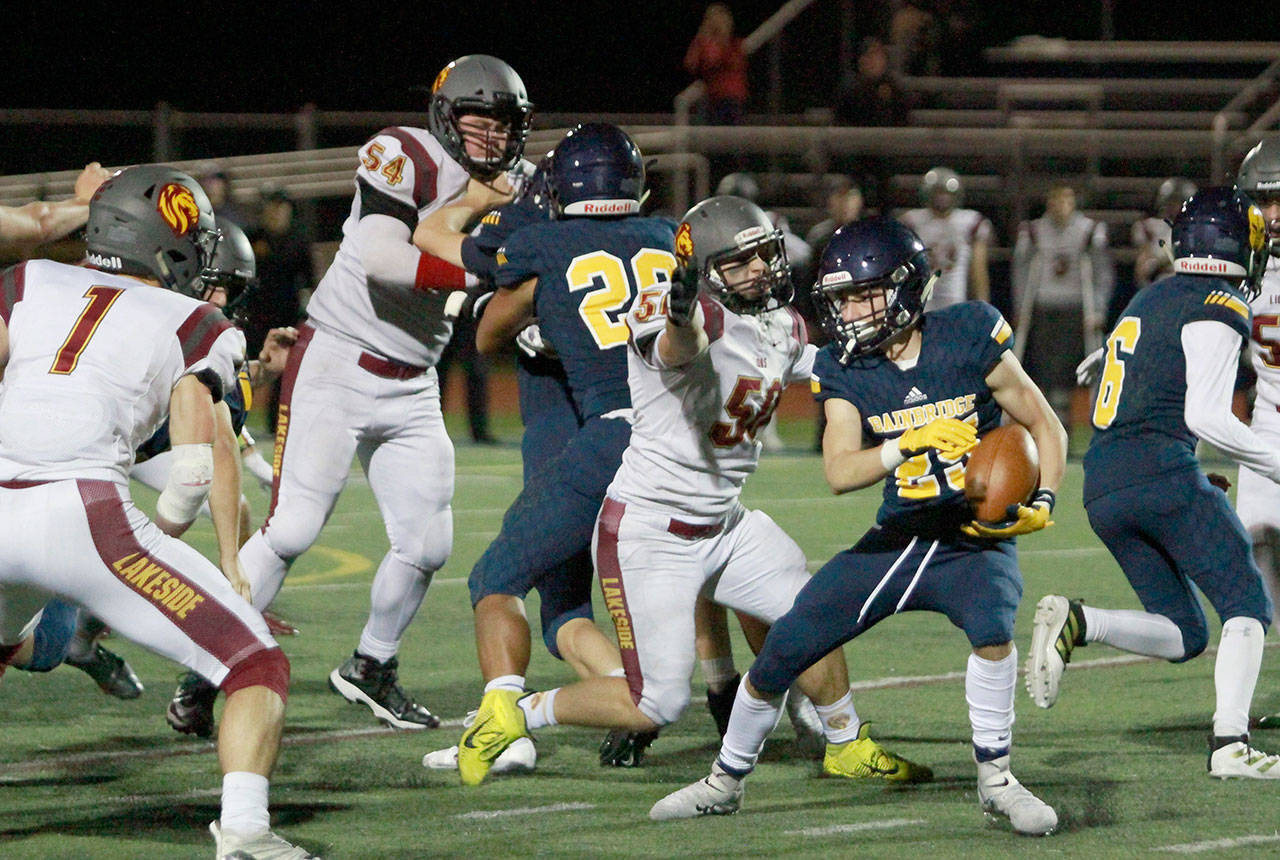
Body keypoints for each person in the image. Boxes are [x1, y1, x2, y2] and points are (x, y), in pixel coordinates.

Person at [454, 196, 928, 792]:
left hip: (725, 523)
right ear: (703, 271)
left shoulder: (781, 322)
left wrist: (915, 365)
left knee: (812, 612)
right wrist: (683, 317)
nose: (760, 270)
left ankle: (846, 742)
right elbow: (679, 346)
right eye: (741, 262)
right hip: (652, 531)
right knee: (655, 703)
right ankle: (515, 714)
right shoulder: (670, 310)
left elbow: (825, 368)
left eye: (764, 255)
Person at [653, 217, 1066, 835]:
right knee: (787, 646)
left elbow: (1045, 424)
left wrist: (1046, 497)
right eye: (840, 299)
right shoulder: (846, 368)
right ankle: (724, 781)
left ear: (906, 287)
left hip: (972, 538)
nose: (848, 312)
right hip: (898, 538)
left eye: (862, 295)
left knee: (992, 628)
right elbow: (840, 471)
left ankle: (997, 780)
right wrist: (906, 444)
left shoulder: (969, 334)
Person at [0, 164, 312, 858]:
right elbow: (194, 468)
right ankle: (246, 832)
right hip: (82, 516)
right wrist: (156, 545)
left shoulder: (27, 280)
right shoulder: (198, 320)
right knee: (256, 665)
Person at [236, 54, 534, 731]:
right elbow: (381, 258)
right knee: (292, 529)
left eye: (506, 124)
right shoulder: (407, 154)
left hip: (413, 380)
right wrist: (478, 274)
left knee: (427, 543)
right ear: (446, 116)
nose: (493, 137)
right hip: (339, 359)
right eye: (479, 121)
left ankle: (371, 665)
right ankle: (208, 661)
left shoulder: (518, 185)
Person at [1026, 187, 1280, 778]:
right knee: (1246, 602)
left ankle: (1079, 621)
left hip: (1105, 482)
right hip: (1157, 471)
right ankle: (1230, 745)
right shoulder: (1219, 301)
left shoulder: (1153, 295)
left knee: (1186, 633)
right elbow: (1207, 417)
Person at [1012, 182, 1114, 433]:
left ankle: (1066, 420)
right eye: (1056, 200)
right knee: (1045, 370)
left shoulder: (1089, 230)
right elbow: (1021, 271)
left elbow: (1102, 273)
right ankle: (1049, 423)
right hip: (1044, 306)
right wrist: (1020, 307)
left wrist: (1098, 309)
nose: (1060, 206)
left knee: (1070, 370)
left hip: (1076, 307)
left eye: (1066, 200)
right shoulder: (1033, 231)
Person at [1233, 140, 1280, 644]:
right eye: (1264, 202)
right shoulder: (1238, 265)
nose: (1273, 215)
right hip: (1269, 420)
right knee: (1252, 535)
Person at [900, 167, 992, 309]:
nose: (942, 198)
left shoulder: (969, 222)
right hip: (922, 299)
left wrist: (983, 304)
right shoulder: (912, 221)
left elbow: (978, 269)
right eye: (937, 192)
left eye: (946, 193)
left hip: (955, 297)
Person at [243, 186, 313, 361]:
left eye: (281, 208)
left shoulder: (298, 242)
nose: (276, 213)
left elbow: (308, 281)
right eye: (272, 207)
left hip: (288, 314)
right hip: (257, 316)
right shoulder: (253, 238)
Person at [683, 3, 748, 126]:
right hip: (713, 98)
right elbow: (691, 64)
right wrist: (701, 38)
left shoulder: (735, 44)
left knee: (730, 132)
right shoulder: (704, 43)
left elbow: (733, 63)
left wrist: (721, 41)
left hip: (731, 99)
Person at [834, 37, 909, 128]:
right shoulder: (850, 89)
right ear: (861, 61)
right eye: (870, 55)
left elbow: (902, 116)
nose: (874, 60)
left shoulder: (893, 87)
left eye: (879, 55)